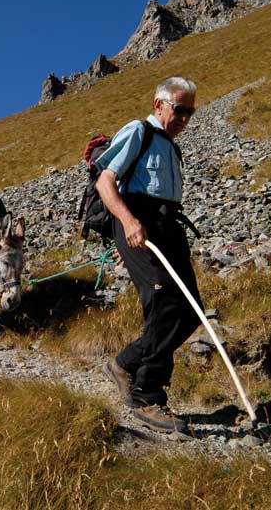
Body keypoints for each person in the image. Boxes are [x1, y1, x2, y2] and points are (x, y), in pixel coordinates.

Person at [95, 76, 202, 434]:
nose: (185, 117)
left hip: (168, 228)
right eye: (180, 109)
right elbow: (105, 181)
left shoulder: (171, 147)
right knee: (165, 303)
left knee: (190, 311)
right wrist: (128, 223)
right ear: (159, 104)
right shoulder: (138, 132)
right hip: (139, 225)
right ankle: (148, 395)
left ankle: (124, 363)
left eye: (190, 112)